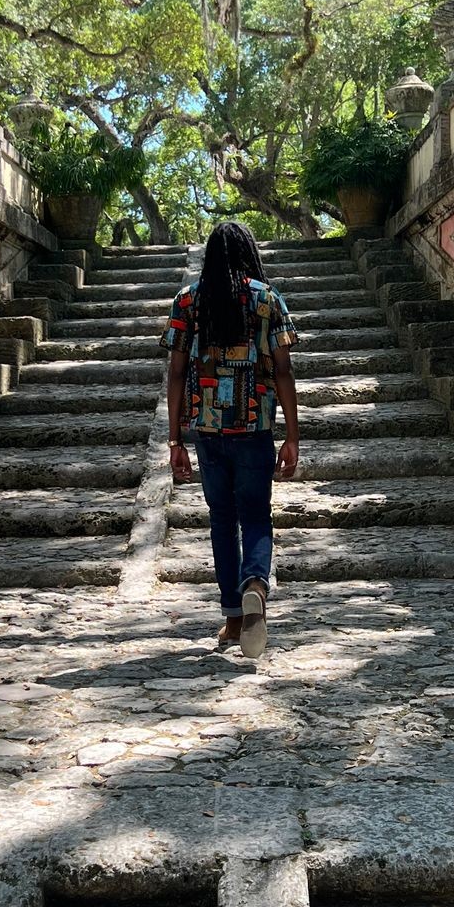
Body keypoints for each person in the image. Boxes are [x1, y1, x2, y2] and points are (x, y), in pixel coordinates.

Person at [161, 222, 300, 657]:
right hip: (255, 428)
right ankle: (255, 584)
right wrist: (292, 436)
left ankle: (233, 620)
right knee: (256, 515)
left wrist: (174, 441)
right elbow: (283, 371)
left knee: (222, 519)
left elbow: (177, 373)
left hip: (207, 431)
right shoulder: (266, 300)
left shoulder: (189, 299)